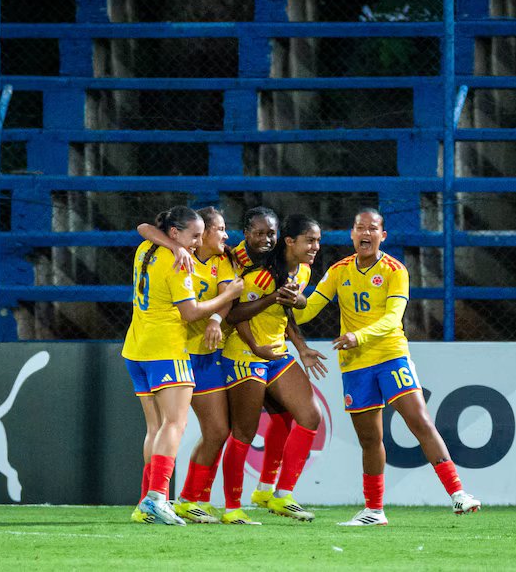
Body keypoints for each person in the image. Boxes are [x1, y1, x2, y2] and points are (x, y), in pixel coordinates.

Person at [295, 208, 482, 526]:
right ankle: (374, 510)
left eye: (372, 228)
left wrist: (358, 335)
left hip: (390, 355)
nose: (365, 234)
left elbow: (393, 319)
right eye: (359, 228)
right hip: (355, 365)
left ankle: (458, 494)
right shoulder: (339, 270)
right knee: (370, 439)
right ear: (352, 234)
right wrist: (289, 300)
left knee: (419, 421)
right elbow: (307, 310)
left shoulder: (395, 270)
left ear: (383, 236)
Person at [137, 206, 303, 521]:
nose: (226, 236)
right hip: (177, 353)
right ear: (200, 235)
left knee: (216, 430)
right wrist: (174, 247)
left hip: (206, 355)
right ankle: (152, 499)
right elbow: (144, 226)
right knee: (166, 426)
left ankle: (186, 499)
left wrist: (215, 319)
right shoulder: (178, 258)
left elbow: (229, 296)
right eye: (219, 230)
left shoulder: (222, 261)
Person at [124, 206, 243, 526]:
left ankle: (145, 501)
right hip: (167, 348)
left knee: (155, 428)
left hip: (136, 346)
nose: (196, 242)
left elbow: (144, 226)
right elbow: (191, 313)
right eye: (193, 236)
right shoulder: (178, 262)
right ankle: (158, 497)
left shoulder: (145, 249)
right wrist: (228, 295)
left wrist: (176, 244)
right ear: (175, 233)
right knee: (174, 425)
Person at [218, 214, 328, 524]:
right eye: (311, 240)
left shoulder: (302, 271)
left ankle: (278, 494)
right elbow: (234, 315)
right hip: (245, 353)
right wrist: (256, 346)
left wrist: (302, 346)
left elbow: (286, 312)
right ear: (290, 241)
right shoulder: (258, 270)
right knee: (243, 433)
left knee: (309, 415)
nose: (316, 246)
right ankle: (231, 508)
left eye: (318, 240)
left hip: (276, 352)